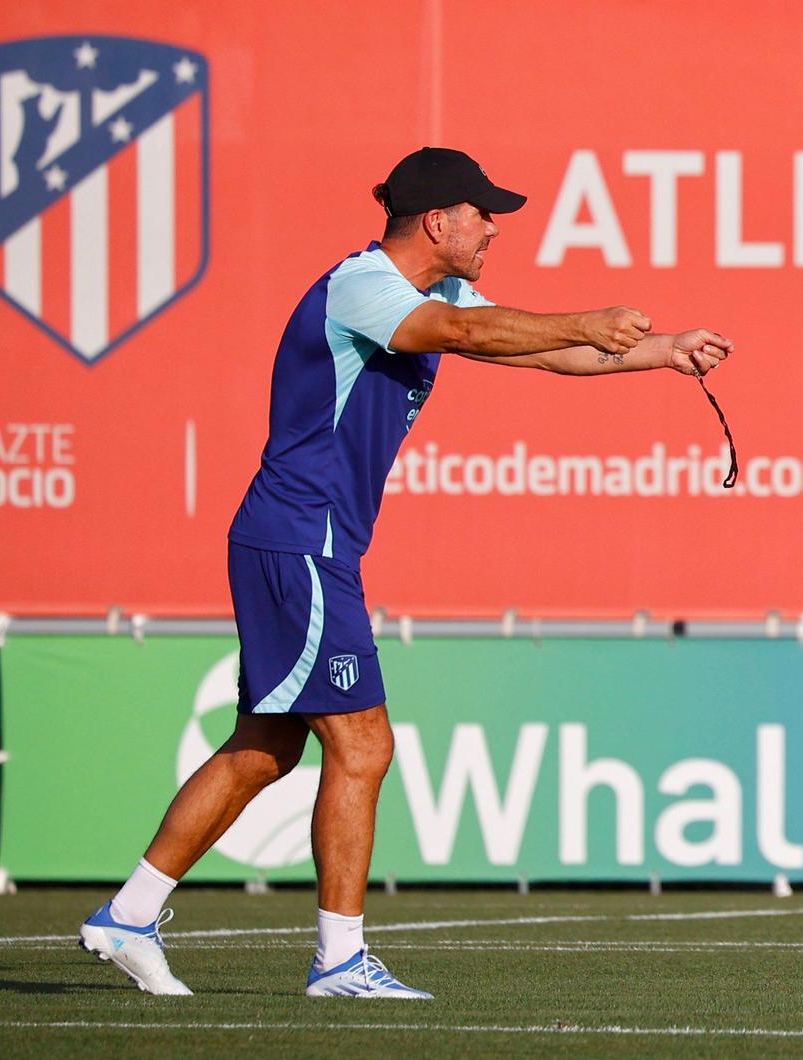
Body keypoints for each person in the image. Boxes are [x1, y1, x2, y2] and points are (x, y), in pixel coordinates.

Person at [77, 147, 732, 999]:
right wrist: (583, 318)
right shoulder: (364, 288)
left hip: (305, 542)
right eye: (482, 213)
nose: (493, 226)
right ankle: (339, 962)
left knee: (266, 748)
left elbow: (529, 351)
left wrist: (663, 350)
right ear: (437, 222)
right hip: (300, 539)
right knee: (364, 742)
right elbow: (468, 335)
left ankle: (128, 915)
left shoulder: (441, 293)